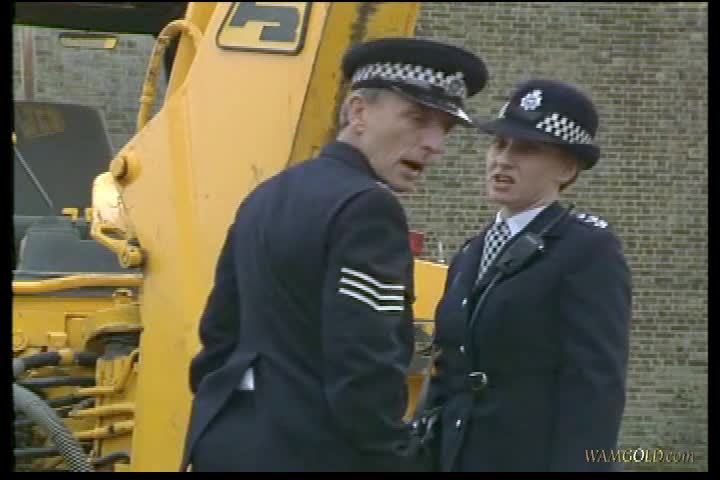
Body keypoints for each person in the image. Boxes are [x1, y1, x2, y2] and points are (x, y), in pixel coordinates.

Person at [179, 37, 488, 472]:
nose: (434, 143)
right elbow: (365, 363)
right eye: (417, 118)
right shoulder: (368, 208)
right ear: (357, 111)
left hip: (224, 443)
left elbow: (219, 335)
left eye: (446, 128)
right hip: (314, 452)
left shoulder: (265, 196)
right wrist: (397, 457)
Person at [425, 79, 631, 471]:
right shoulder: (470, 254)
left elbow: (595, 388)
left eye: (526, 149)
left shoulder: (586, 250)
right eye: (499, 144)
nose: (503, 160)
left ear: (567, 168)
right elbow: (448, 372)